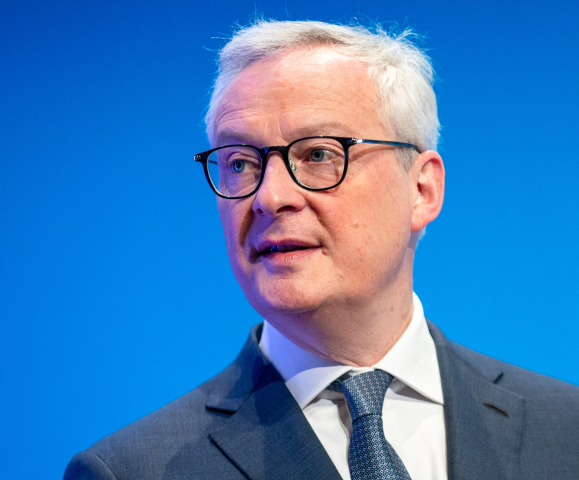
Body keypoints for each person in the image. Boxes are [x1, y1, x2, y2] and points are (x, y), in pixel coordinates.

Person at [64, 20, 579, 480]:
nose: (269, 197)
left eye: (317, 155)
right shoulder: (132, 471)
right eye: (240, 162)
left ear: (422, 190)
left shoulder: (567, 430)